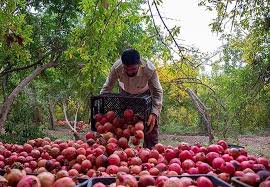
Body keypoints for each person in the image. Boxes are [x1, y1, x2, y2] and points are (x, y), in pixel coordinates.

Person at [100, 48, 163, 148]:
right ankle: (120, 151)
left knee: (151, 125)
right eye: (126, 69)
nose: (129, 72)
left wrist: (154, 112)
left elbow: (157, 91)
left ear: (139, 64)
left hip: (145, 94)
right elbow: (107, 87)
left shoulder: (149, 69)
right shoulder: (117, 67)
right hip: (125, 93)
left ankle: (151, 151)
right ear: (123, 65)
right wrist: (101, 107)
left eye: (133, 69)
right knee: (120, 124)